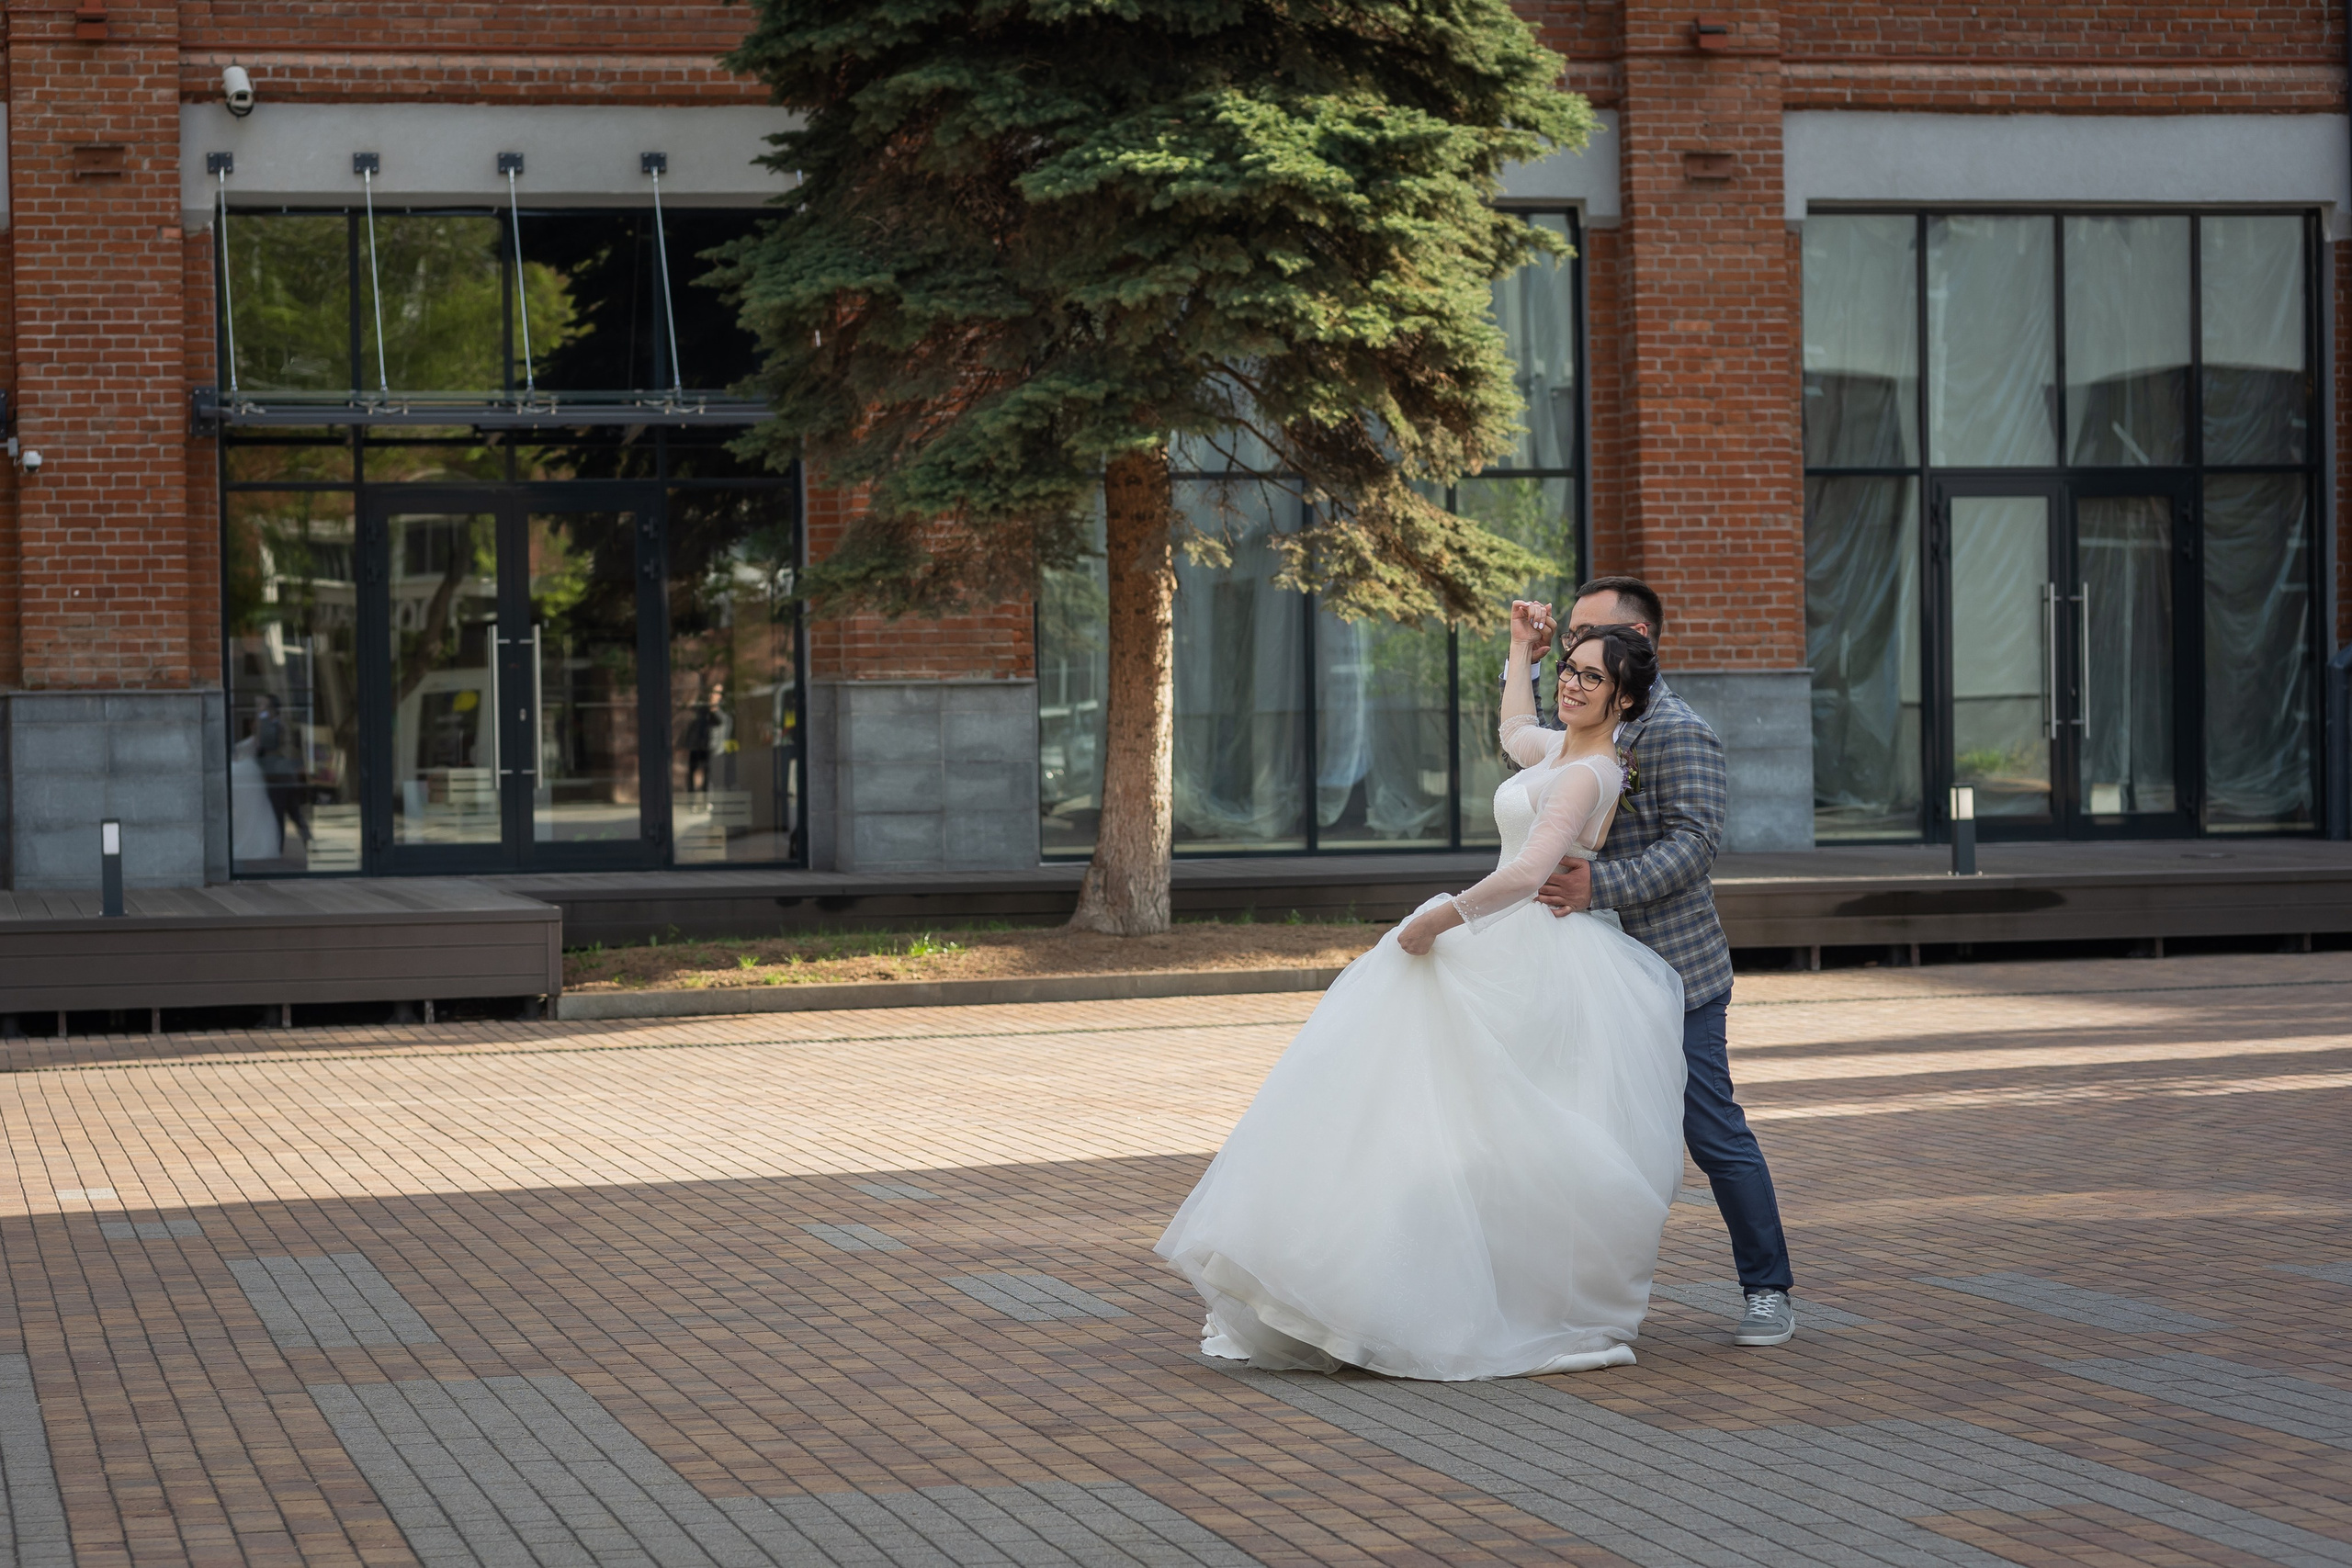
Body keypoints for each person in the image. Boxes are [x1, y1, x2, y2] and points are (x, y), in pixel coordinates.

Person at [1157, 609, 1689, 1380]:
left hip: (1529, 951)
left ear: (1626, 701)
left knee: (1485, 1126)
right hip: (1506, 940)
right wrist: (1520, 652)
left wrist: (1438, 917)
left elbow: (1527, 873)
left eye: (1591, 677)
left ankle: (1456, 1296)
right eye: (1570, 670)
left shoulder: (1588, 772)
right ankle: (1368, 1284)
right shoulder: (1557, 752)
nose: (1572, 685)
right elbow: (1514, 729)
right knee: (1427, 1110)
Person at [1531, 576, 1798, 1348]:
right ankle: (1562, 1294)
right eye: (1570, 640)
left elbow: (1695, 842)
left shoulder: (1679, 730)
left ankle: (1768, 1287)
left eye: (1587, 636)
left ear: (1638, 641)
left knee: (1712, 1130)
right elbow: (1529, 766)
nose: (1571, 651)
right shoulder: (1586, 715)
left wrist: (1599, 884)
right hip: (1582, 971)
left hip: (1672, 974)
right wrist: (1522, 657)